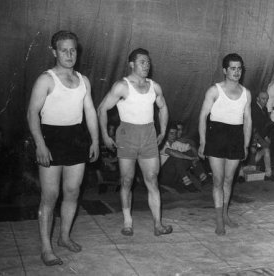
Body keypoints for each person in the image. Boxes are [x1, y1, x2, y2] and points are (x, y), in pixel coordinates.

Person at [27, 31, 99, 266]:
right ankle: (46, 248)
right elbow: (32, 114)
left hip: (76, 139)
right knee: (50, 196)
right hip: (51, 139)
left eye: (73, 50)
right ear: (54, 52)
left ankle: (64, 237)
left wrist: (95, 140)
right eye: (64, 50)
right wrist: (40, 143)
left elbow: (89, 112)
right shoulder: (46, 79)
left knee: (72, 191)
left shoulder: (83, 80)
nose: (69, 54)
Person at [97, 48, 172, 237]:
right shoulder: (122, 86)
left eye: (148, 62)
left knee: (152, 180)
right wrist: (105, 136)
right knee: (127, 180)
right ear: (132, 64)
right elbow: (102, 109)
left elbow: (163, 108)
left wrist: (163, 131)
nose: (147, 66)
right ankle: (127, 222)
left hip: (148, 135)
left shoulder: (155, 87)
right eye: (142, 62)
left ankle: (158, 224)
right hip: (127, 136)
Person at [198, 53, 252, 235]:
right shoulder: (214, 90)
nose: (237, 72)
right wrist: (203, 141)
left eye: (239, 68)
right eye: (233, 68)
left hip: (236, 137)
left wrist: (245, 144)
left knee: (229, 180)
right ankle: (219, 219)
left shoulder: (246, 93)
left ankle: (226, 214)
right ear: (225, 70)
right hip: (216, 135)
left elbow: (248, 120)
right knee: (218, 180)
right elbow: (203, 116)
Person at [251, 91, 274, 180]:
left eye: (266, 99)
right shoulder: (254, 109)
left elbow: (267, 124)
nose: (265, 101)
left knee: (272, 145)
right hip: (254, 135)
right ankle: (265, 170)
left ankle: (268, 169)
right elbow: (257, 127)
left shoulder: (264, 109)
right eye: (263, 99)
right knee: (267, 148)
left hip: (262, 134)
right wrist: (266, 137)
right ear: (257, 99)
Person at [159, 124, 203, 193]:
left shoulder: (176, 143)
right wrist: (190, 158)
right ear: (165, 134)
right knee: (176, 157)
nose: (174, 136)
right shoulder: (160, 144)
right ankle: (187, 183)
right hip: (163, 177)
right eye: (171, 133)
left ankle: (203, 177)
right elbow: (172, 152)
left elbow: (192, 147)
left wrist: (196, 157)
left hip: (175, 175)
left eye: (175, 133)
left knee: (189, 152)